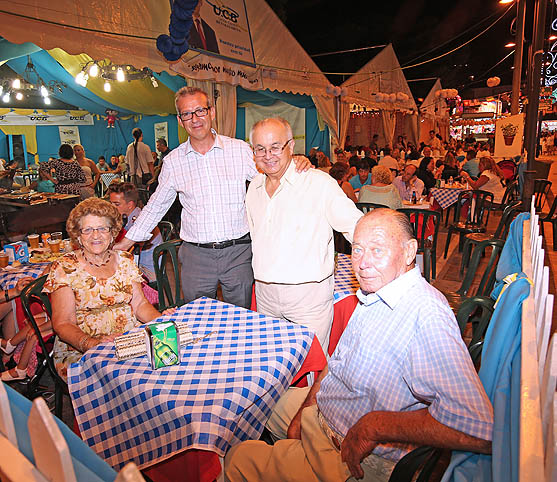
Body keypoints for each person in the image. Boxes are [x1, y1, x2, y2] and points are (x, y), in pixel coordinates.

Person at [225, 209, 493, 482]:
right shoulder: (376, 291)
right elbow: (336, 364)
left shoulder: (426, 315)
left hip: (351, 456)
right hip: (324, 417)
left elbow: (477, 430)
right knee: (257, 399)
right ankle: (288, 453)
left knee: (238, 458)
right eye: (357, 250)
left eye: (377, 250)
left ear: (410, 251)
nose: (362, 263)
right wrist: (306, 410)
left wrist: (373, 427)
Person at [115, 87, 310, 309]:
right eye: (187, 114)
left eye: (200, 110)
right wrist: (126, 243)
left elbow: (272, 177)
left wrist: (294, 163)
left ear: (212, 112)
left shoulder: (239, 150)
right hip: (195, 257)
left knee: (242, 318)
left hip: (239, 253)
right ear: (180, 120)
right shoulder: (174, 161)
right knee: (199, 320)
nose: (195, 119)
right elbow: (156, 206)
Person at [246, 117, 362, 348]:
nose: (268, 155)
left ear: (290, 146)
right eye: (260, 149)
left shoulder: (318, 183)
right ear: (253, 152)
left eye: (275, 147)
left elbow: (355, 226)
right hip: (264, 294)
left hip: (308, 296)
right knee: (271, 363)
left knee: (312, 369)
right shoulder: (254, 187)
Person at [43, 198, 172, 379]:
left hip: (129, 339)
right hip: (83, 349)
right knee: (129, 379)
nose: (96, 236)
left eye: (102, 228)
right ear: (78, 235)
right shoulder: (64, 267)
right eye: (87, 230)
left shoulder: (125, 259)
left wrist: (161, 324)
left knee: (167, 362)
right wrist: (92, 344)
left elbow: (140, 303)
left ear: (112, 233)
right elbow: (63, 323)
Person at [108, 182, 163, 282]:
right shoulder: (126, 217)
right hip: (136, 262)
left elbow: (126, 250)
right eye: (110, 203)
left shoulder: (138, 221)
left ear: (130, 205)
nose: (112, 207)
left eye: (116, 204)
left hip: (147, 269)